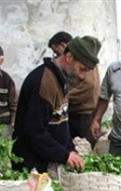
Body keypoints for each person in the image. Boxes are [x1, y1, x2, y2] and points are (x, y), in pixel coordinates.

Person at [12, 36, 101, 173]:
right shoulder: (44, 82)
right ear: (69, 57)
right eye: (82, 69)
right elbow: (34, 132)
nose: (83, 76)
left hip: (46, 163)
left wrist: (71, 149)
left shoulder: (62, 81)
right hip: (31, 167)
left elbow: (61, 123)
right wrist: (65, 155)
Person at [49, 31, 101, 147]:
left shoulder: (84, 60)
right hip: (78, 114)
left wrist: (63, 97)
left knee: (81, 151)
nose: (57, 56)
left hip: (82, 116)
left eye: (56, 52)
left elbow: (89, 85)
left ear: (63, 46)